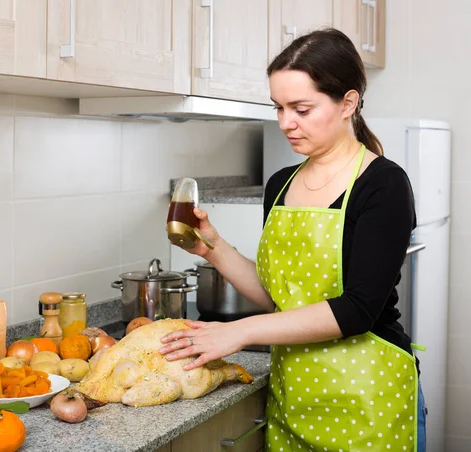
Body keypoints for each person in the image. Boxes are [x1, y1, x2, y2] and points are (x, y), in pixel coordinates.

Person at [159, 28, 426, 451]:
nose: (286, 122)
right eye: (279, 107)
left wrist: (240, 332)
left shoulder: (383, 185)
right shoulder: (281, 185)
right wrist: (212, 248)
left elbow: (356, 310)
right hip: (294, 397)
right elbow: (281, 300)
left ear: (348, 103)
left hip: (367, 400)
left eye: (301, 108)